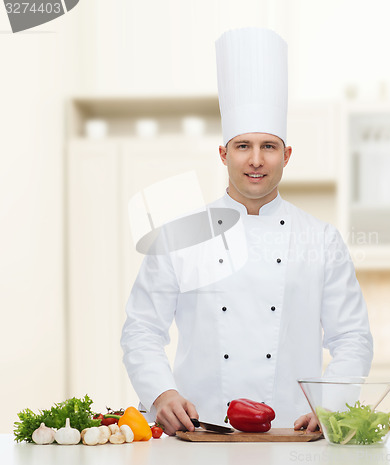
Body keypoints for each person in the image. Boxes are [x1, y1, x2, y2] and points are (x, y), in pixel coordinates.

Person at [121, 28, 373, 437]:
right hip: (200, 433)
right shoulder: (179, 236)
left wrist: (332, 407)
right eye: (242, 146)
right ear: (223, 153)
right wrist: (161, 393)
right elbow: (142, 329)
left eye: (269, 147)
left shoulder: (320, 239)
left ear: (286, 155)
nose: (256, 161)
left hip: (293, 436)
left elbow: (352, 338)